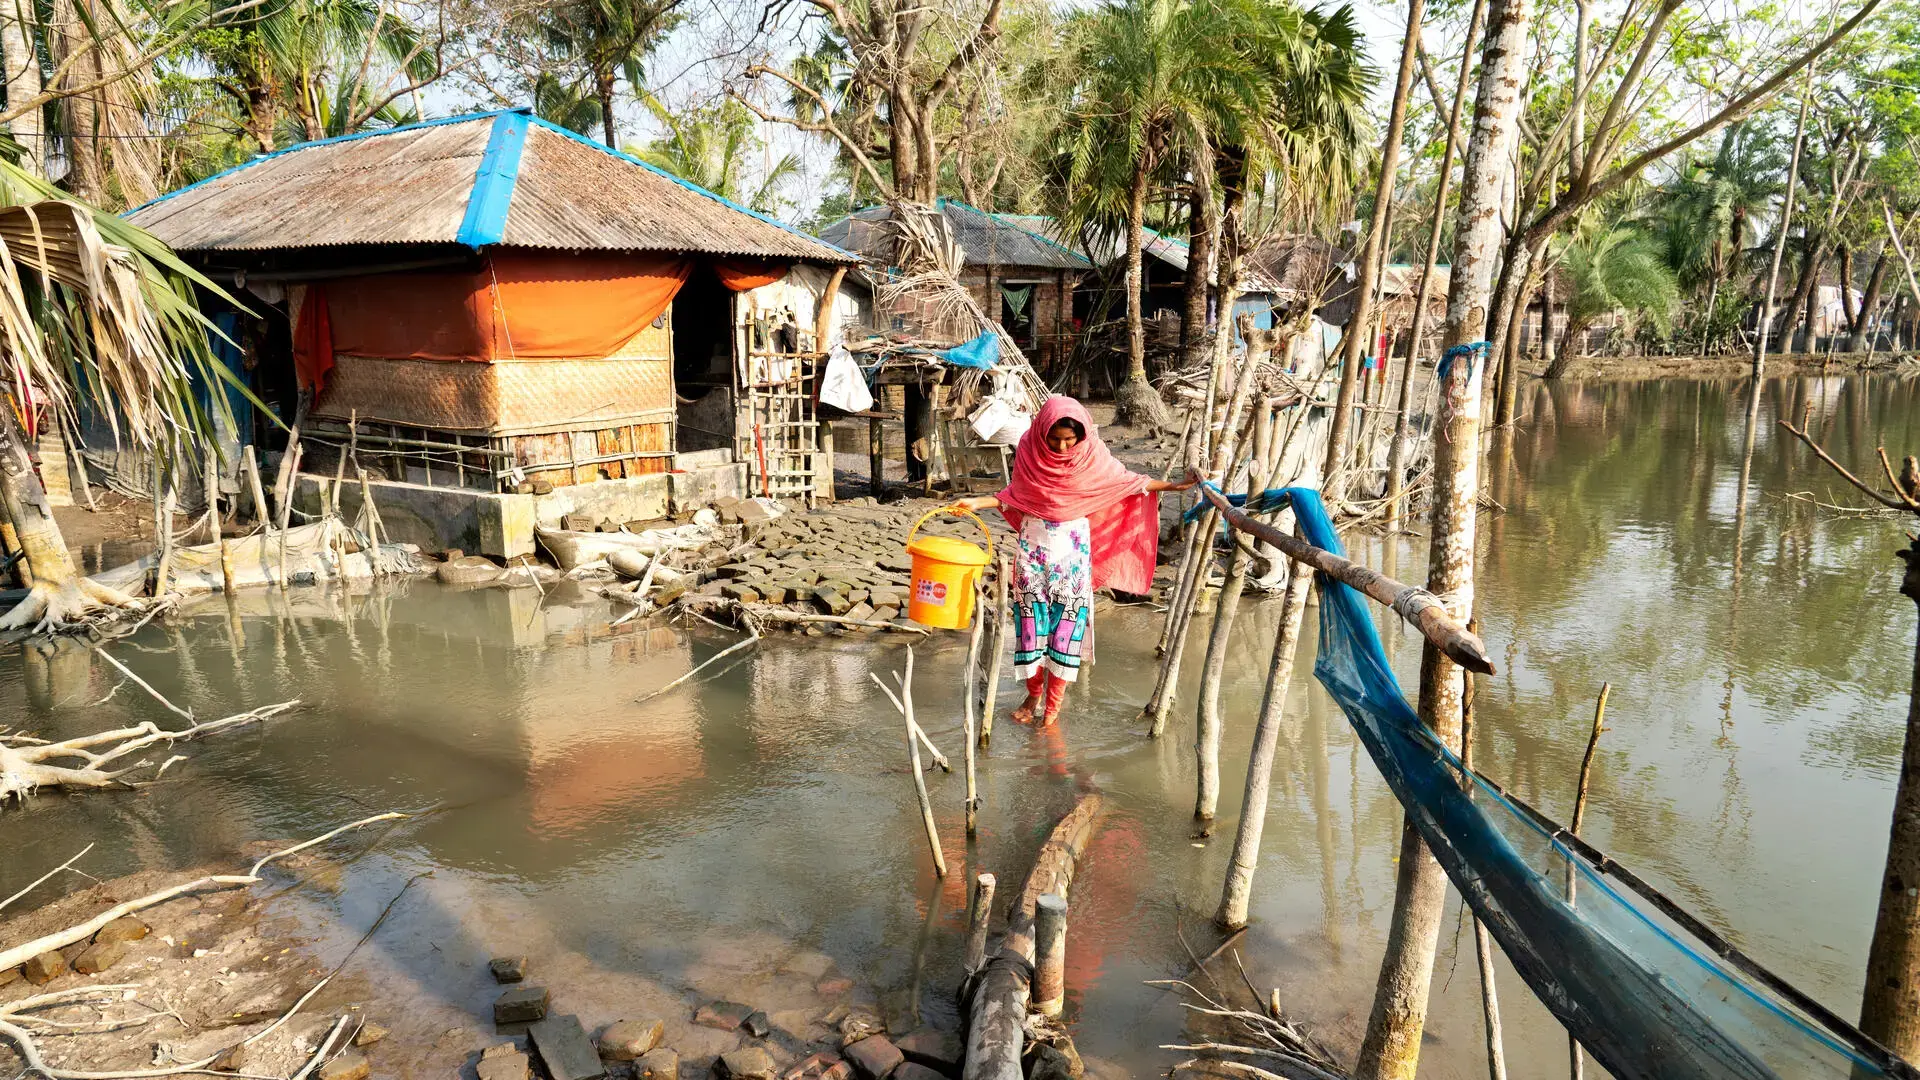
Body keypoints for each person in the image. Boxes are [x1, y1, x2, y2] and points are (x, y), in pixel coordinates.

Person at [953, 396, 1195, 726]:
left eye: (1070, 440)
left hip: (1072, 560)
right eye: (1055, 439)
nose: (1063, 447)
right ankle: (1033, 694)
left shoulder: (1092, 455)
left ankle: (1052, 707)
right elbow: (1015, 495)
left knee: (1065, 631)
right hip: (1032, 555)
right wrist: (976, 502)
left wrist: (1174, 485)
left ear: (1081, 435)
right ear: (1042, 434)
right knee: (1030, 629)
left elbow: (1128, 482)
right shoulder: (1029, 449)